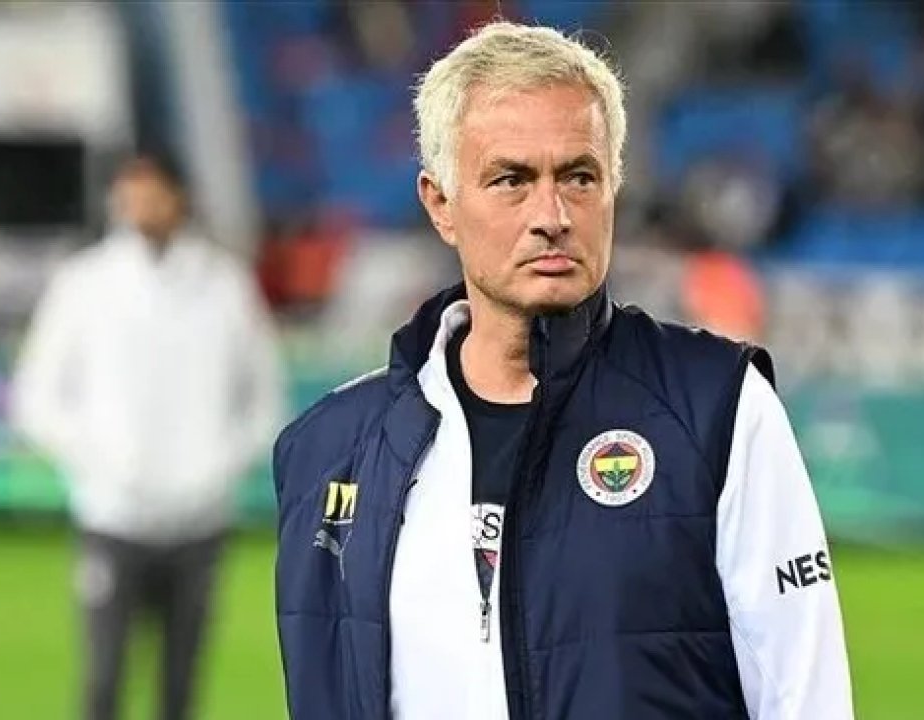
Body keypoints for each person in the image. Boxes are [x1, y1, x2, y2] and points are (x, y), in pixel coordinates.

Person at [274, 22, 853, 719]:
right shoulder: (330, 451)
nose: (552, 215)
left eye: (579, 177)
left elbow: (805, 696)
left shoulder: (717, 408)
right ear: (441, 204)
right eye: (511, 180)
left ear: (614, 188)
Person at [11, 152, 284, 720]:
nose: (140, 206)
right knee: (104, 680)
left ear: (180, 198)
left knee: (180, 686)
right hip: (113, 515)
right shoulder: (84, 283)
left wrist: (218, 466)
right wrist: (100, 461)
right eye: (130, 193)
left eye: (153, 192)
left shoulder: (224, 285)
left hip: (200, 520)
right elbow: (36, 398)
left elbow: (263, 397)